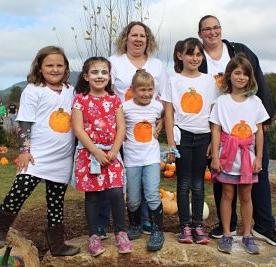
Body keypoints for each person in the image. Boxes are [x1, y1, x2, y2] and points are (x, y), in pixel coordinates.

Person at [198, 14, 276, 247]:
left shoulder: (240, 50)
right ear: (200, 34)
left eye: (216, 27)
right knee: (223, 182)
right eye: (207, 29)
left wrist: (266, 115)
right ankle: (227, 226)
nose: (212, 32)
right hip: (218, 125)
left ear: (221, 29)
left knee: (258, 176)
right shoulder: (199, 58)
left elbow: (258, 78)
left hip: (249, 127)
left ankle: (263, 226)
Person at [0, 46, 79, 257]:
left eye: (59, 65)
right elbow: (25, 123)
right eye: (49, 65)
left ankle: (57, 245)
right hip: (36, 156)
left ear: (65, 67)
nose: (55, 69)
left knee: (56, 202)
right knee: (18, 192)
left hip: (63, 158)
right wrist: (24, 150)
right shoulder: (33, 90)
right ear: (40, 67)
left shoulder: (71, 90)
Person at [96, 21, 170, 237]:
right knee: (109, 176)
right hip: (115, 129)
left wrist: (159, 125)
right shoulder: (114, 62)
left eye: (143, 36)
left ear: (148, 40)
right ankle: (102, 223)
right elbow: (102, 90)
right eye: (134, 35)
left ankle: (146, 222)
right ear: (126, 38)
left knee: (146, 179)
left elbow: (165, 101)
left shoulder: (157, 65)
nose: (138, 39)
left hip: (144, 132)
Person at [72, 56, 132, 256]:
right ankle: (94, 236)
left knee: (116, 193)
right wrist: (96, 152)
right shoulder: (80, 100)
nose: (100, 76)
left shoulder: (114, 99)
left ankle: (121, 233)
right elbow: (78, 129)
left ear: (109, 76)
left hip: (112, 153)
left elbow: (122, 127)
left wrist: (114, 151)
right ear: (86, 76)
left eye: (104, 72)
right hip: (90, 155)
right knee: (93, 196)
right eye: (95, 72)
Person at [162, 37, 219, 245]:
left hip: (203, 136)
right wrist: (171, 142)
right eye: (190, 54)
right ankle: (185, 226)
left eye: (198, 54)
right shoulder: (173, 80)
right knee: (184, 183)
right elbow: (168, 113)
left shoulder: (209, 80)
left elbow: (214, 114)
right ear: (180, 55)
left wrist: (214, 142)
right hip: (182, 136)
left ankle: (198, 226)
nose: (194, 58)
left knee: (198, 184)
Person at [210, 54, 268, 254]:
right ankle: (227, 234)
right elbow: (216, 129)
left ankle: (247, 234)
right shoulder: (222, 102)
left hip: (247, 157)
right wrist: (215, 157)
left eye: (245, 74)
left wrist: (259, 157)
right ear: (229, 76)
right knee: (227, 195)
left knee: (246, 196)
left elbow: (259, 130)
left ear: (250, 78)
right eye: (237, 73)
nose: (241, 77)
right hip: (227, 155)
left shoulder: (255, 102)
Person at [123, 69, 164, 251]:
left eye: (150, 90)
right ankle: (135, 224)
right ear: (132, 89)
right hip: (132, 158)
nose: (146, 94)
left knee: (152, 194)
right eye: (142, 90)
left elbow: (167, 116)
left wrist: (161, 123)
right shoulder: (125, 107)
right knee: (133, 198)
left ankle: (157, 230)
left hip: (151, 157)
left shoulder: (157, 106)